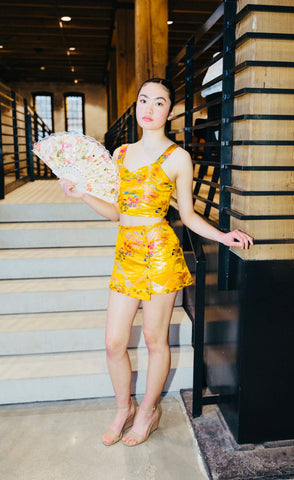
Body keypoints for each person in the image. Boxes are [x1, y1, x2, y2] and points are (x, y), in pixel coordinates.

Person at [59, 77, 253, 447]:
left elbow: (190, 216)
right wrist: (81, 193)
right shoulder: (119, 154)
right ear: (136, 106)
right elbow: (116, 213)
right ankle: (124, 407)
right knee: (114, 342)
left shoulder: (178, 157)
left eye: (159, 102)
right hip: (127, 252)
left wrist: (224, 236)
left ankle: (148, 410)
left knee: (153, 338)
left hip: (161, 252)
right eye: (143, 100)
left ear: (170, 110)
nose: (148, 109)